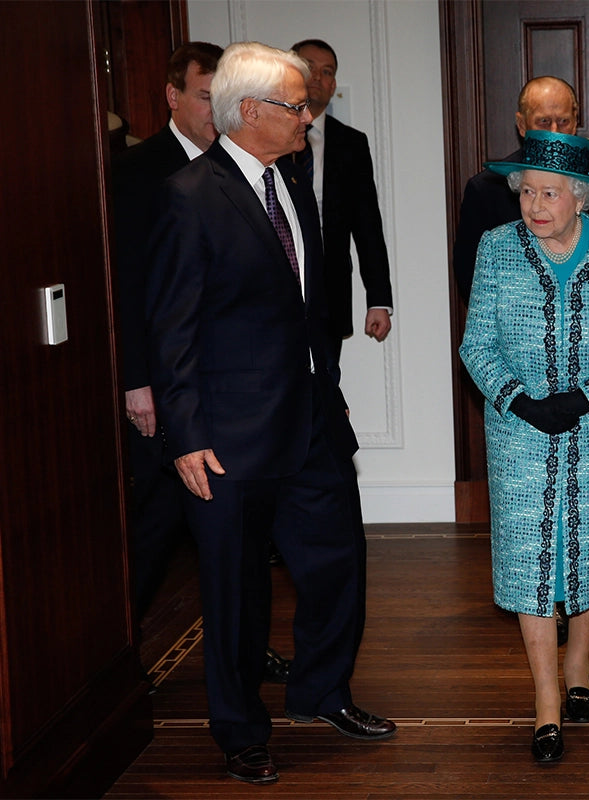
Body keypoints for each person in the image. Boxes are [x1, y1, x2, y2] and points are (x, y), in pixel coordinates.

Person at [144, 41, 395, 785]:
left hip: (313, 421)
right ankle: (240, 731)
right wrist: (186, 434)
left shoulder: (293, 182)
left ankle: (322, 692)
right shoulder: (190, 195)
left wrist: (329, 381)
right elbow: (172, 327)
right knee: (235, 591)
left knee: (337, 565)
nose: (309, 116)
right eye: (295, 106)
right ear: (249, 111)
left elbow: (308, 305)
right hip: (228, 438)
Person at [459, 130, 589, 763]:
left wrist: (582, 399)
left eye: (549, 193)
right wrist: (520, 399)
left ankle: (579, 666)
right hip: (519, 434)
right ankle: (547, 701)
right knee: (527, 565)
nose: (535, 205)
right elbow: (476, 345)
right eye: (526, 192)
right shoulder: (495, 249)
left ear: (581, 195)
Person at [112, 41, 291, 688]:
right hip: (171, 393)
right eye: (199, 94)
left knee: (240, 548)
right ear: (173, 96)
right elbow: (139, 292)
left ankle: (244, 655)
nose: (210, 109)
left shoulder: (261, 176)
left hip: (247, 405)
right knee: (155, 530)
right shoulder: (143, 173)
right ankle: (119, 655)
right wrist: (139, 381)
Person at [453, 75, 589, 305]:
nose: (554, 132)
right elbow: (471, 279)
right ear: (522, 125)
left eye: (563, 121)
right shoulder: (486, 188)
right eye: (544, 122)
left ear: (575, 120)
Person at [289, 38, 393, 360]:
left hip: (329, 289)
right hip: (276, 284)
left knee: (326, 387)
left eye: (327, 72)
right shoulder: (266, 136)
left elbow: (367, 224)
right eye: (309, 68)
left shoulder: (351, 144)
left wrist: (378, 299)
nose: (317, 77)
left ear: (333, 85)